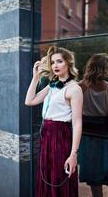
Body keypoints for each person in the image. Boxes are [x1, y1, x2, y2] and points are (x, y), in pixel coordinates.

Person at [25, 46, 83, 197]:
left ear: (68, 63)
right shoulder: (52, 86)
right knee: (47, 175)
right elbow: (29, 101)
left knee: (59, 176)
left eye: (59, 61)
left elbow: (77, 124)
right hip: (47, 135)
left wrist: (73, 155)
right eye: (52, 62)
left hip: (60, 135)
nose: (55, 65)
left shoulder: (74, 89)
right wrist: (35, 77)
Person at [78, 53, 108, 197]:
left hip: (87, 132)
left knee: (93, 173)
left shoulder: (81, 86)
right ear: (105, 69)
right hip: (103, 132)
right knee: (105, 170)